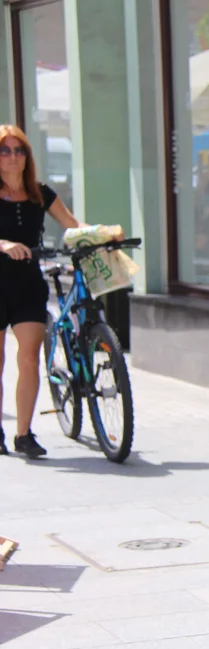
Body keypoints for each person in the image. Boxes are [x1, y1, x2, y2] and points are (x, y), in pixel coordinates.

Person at [0, 125, 90, 458]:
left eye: (19, 150)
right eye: (5, 150)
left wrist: (102, 235)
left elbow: (73, 224)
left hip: (26, 284)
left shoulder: (40, 193)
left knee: (29, 358)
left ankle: (23, 434)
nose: (13, 156)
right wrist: (5, 244)